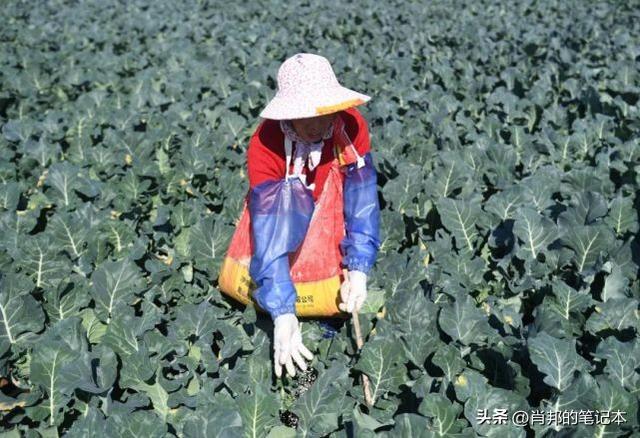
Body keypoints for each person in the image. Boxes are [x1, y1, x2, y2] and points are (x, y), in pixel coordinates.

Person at [247, 53, 380, 378]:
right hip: (282, 213)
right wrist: (282, 312)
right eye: (307, 115)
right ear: (287, 115)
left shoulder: (350, 124)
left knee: (333, 298)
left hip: (328, 211)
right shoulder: (265, 143)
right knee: (275, 284)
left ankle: (327, 326)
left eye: (324, 112)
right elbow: (270, 229)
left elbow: (361, 201)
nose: (319, 124)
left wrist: (358, 267)